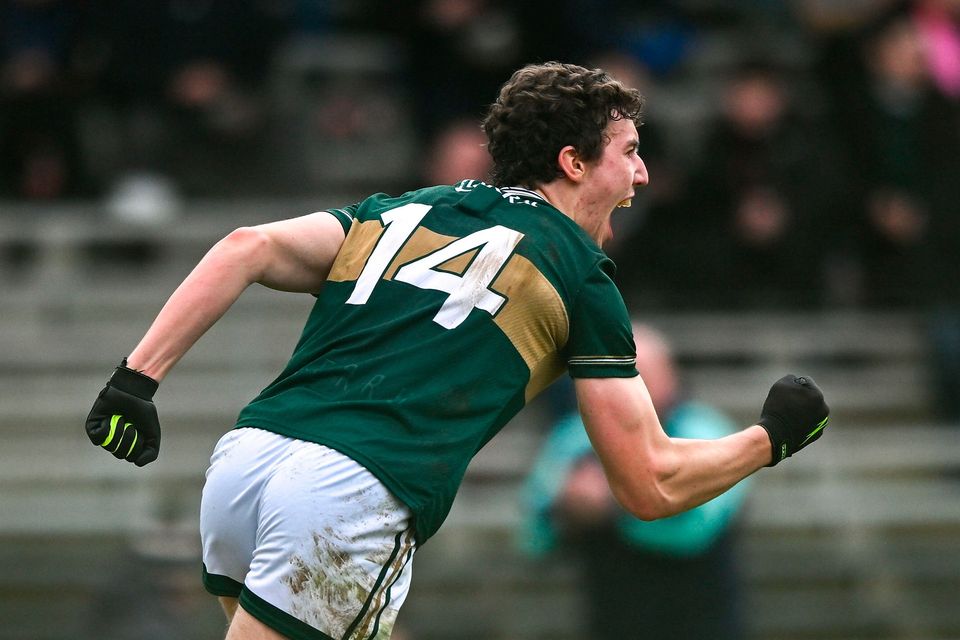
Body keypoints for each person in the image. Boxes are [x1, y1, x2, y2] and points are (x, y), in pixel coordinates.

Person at [84, 61, 830, 640]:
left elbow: (247, 246)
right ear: (574, 163)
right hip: (352, 488)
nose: (640, 174)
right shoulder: (579, 270)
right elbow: (649, 484)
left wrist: (135, 380)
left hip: (246, 463)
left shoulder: (404, 208)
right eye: (629, 153)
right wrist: (769, 440)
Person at [522, 325, 749, 640]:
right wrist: (567, 510)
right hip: (611, 619)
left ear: (670, 378)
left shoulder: (707, 431)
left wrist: (613, 504)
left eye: (642, 376)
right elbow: (535, 534)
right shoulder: (573, 437)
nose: (629, 388)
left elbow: (697, 528)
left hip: (702, 619)